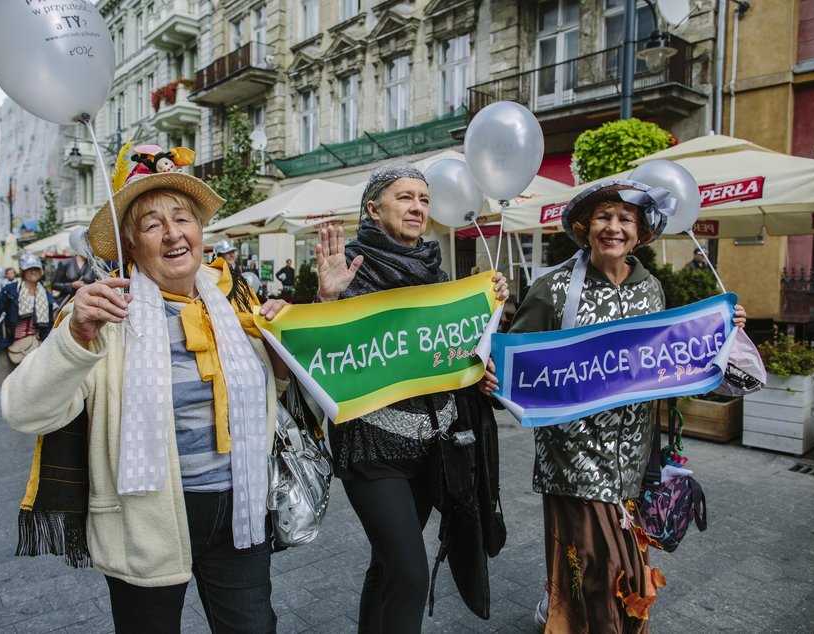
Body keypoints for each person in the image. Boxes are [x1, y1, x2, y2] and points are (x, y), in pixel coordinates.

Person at [1, 166, 290, 633]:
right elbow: (22, 410)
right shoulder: (104, 315)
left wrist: (284, 348)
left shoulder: (237, 305)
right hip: (145, 524)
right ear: (130, 245)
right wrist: (74, 337)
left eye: (184, 218)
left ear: (200, 231)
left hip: (241, 511)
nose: (174, 233)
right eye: (153, 224)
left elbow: (268, 399)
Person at [480, 180, 747, 632]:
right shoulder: (554, 289)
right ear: (585, 228)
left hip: (633, 456)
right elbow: (515, 358)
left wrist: (722, 330)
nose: (613, 227)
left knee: (622, 563)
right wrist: (492, 376)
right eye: (604, 217)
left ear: (640, 233)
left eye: (625, 219)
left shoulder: (652, 290)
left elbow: (671, 358)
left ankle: (569, 615)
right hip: (573, 455)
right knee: (602, 567)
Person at [313, 162, 509, 633]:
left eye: (423, 198)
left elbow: (452, 358)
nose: (417, 207)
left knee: (387, 567)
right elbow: (321, 357)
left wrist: (478, 369)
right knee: (410, 572)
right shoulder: (349, 269)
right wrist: (325, 299)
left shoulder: (440, 276)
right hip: (371, 448)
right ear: (373, 209)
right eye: (404, 197)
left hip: (432, 449)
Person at [0, 253, 56, 385]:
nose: (33, 271)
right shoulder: (10, 290)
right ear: (23, 272)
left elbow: (49, 325)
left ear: (41, 271)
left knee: (33, 384)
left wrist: (50, 345)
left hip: (36, 345)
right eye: (29, 268)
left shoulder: (45, 294)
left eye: (36, 268)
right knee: (11, 385)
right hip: (12, 343)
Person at [52, 227, 97, 303]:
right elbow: (54, 285)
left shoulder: (93, 265)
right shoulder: (65, 263)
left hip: (87, 302)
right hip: (68, 302)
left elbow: (97, 284)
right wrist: (72, 285)